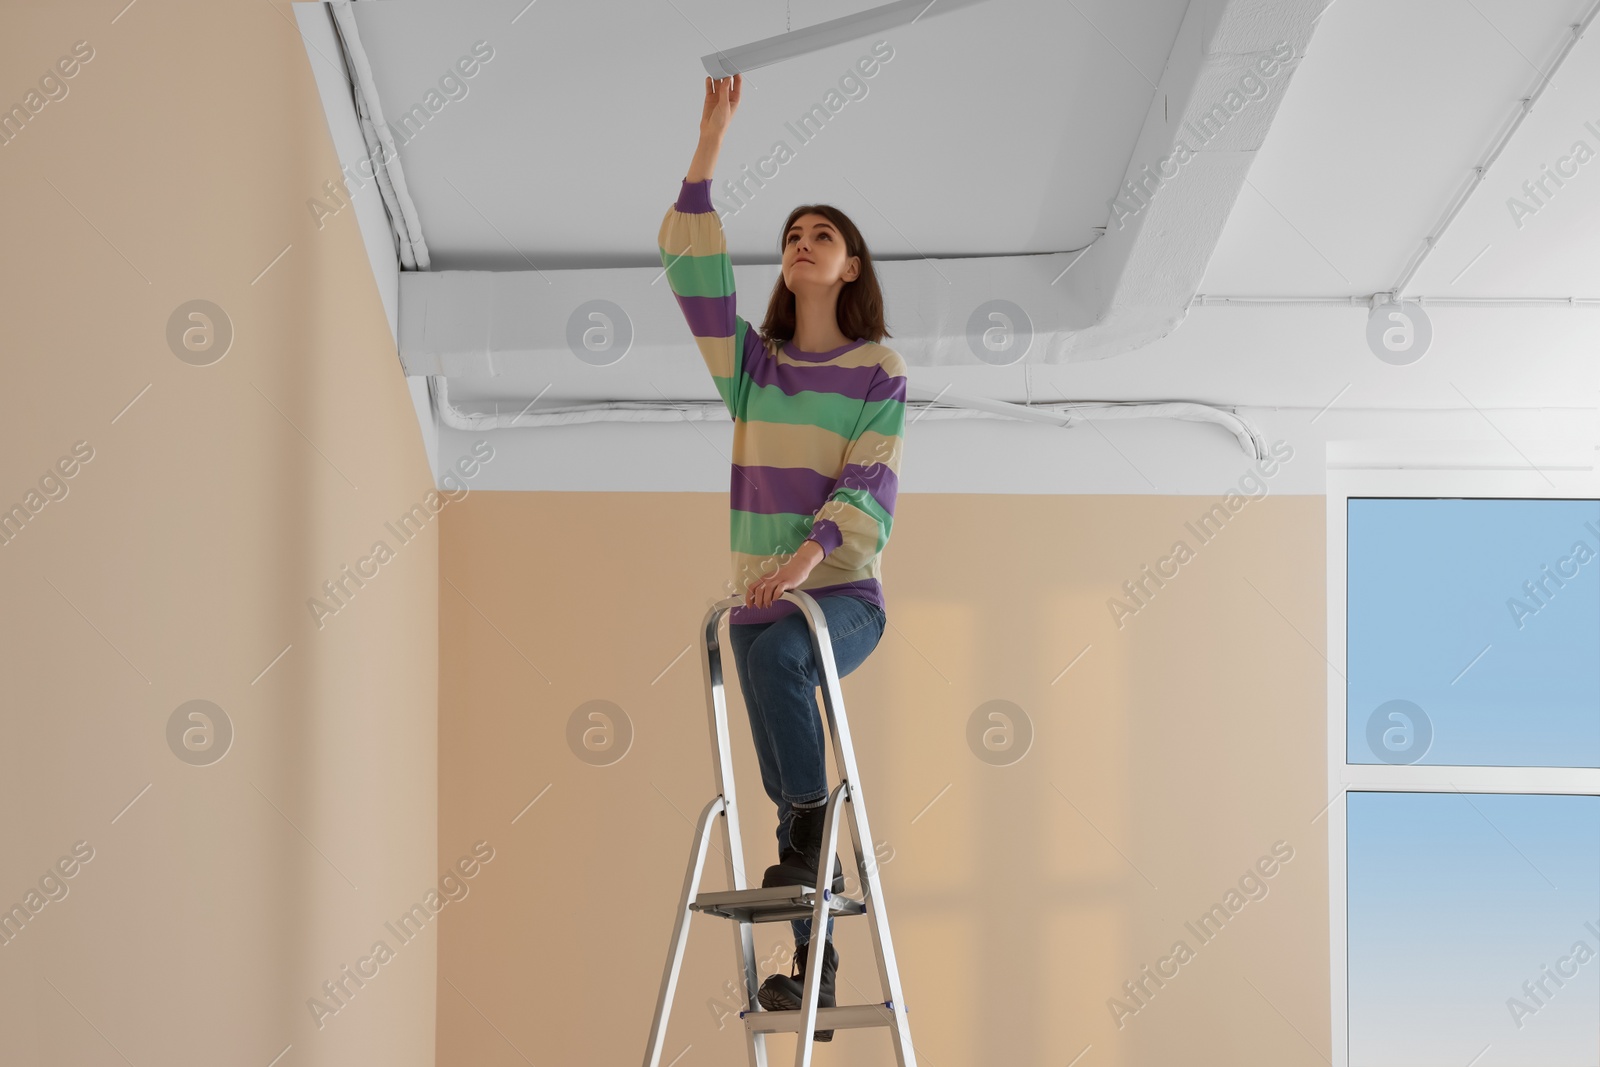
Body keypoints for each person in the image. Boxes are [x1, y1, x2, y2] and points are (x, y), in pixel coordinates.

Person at [657, 73, 907, 1040]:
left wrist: (808, 554)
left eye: (824, 237)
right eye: (793, 234)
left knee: (772, 653)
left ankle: (802, 838)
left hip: (840, 595)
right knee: (758, 652)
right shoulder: (754, 370)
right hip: (767, 610)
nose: (803, 243)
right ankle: (815, 948)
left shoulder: (876, 369)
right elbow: (691, 274)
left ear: (850, 267)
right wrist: (710, 143)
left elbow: (872, 479)